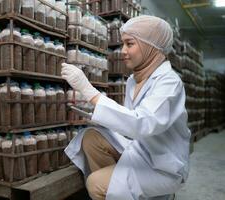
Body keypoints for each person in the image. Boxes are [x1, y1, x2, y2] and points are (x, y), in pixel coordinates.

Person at [61, 15, 190, 200]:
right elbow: (130, 121)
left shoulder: (169, 82)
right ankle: (118, 189)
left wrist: (90, 93)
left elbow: (143, 123)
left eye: (130, 44)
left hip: (163, 165)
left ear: (150, 46)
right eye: (123, 44)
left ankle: (112, 187)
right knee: (90, 138)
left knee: (95, 184)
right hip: (141, 149)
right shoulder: (133, 80)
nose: (123, 51)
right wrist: (96, 113)